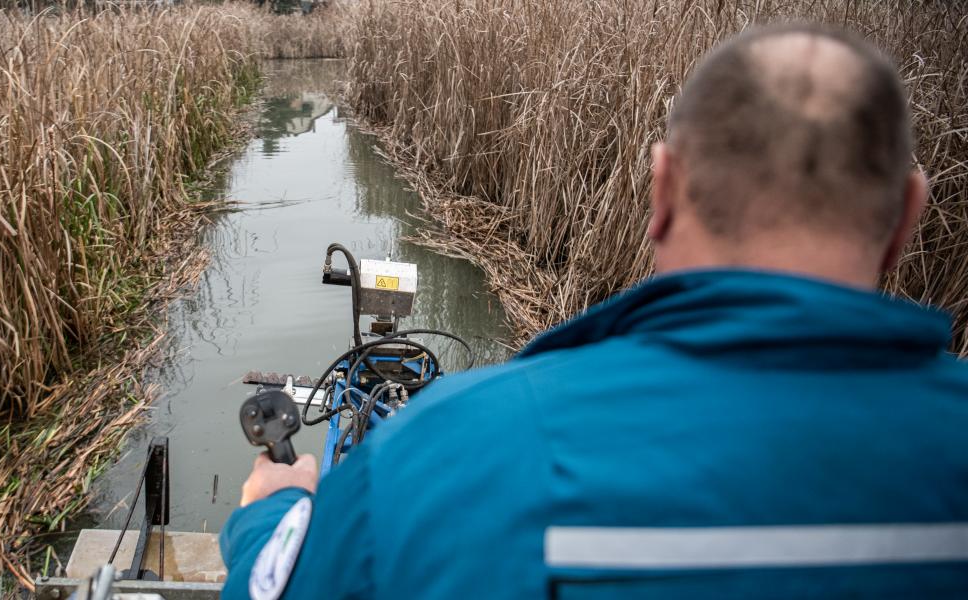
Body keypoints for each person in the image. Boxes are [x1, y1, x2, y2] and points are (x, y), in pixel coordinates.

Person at [220, 23, 968, 599]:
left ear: (662, 187)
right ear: (908, 214)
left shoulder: (448, 446)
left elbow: (283, 586)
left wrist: (268, 516)